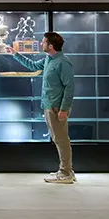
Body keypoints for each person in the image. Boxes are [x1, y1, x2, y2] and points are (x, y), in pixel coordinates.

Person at [12, 31, 76, 184]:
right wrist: (15, 54)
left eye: (43, 42)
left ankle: (66, 173)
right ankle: (65, 170)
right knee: (58, 139)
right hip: (49, 105)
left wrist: (64, 109)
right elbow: (33, 66)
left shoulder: (63, 62)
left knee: (61, 140)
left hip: (56, 107)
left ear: (51, 46)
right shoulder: (49, 59)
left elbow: (69, 87)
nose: (41, 44)